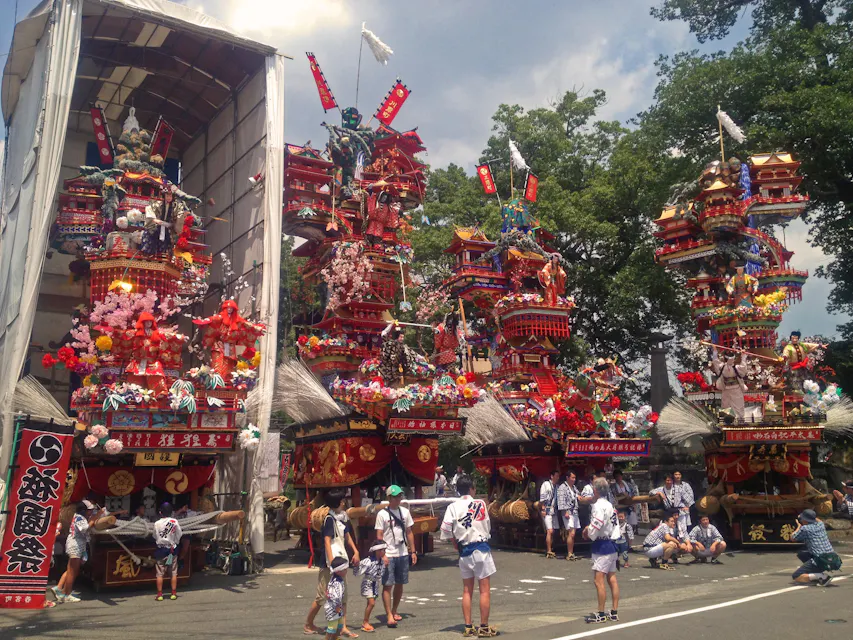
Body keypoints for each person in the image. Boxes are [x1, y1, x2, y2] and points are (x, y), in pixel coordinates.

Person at [441, 474, 499, 638]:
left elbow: (445, 530)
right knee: (484, 590)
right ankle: (484, 626)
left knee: (467, 590)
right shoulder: (479, 503)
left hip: (463, 551)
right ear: (472, 488)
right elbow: (486, 526)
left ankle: (467, 626)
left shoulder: (452, 506)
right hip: (480, 548)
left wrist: (455, 542)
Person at [305, 490, 361, 637]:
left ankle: (342, 626)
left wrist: (355, 551)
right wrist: (332, 563)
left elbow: (347, 536)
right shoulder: (329, 519)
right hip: (329, 564)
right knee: (322, 596)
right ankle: (308, 623)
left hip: (340, 560)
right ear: (337, 502)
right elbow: (327, 541)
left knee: (343, 595)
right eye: (342, 500)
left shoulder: (342, 517)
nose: (344, 502)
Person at [375, 485, 417, 629]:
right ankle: (388, 615)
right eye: (395, 496)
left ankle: (394, 610)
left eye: (400, 496)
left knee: (400, 583)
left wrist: (413, 551)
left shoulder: (405, 512)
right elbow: (379, 536)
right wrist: (382, 554)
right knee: (388, 584)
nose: (398, 499)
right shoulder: (382, 514)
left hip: (403, 552)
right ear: (389, 498)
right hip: (389, 554)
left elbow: (409, 531)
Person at [582, 477, 621, 624]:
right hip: (612, 542)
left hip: (602, 546)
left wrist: (587, 531)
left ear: (596, 490)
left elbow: (595, 526)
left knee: (599, 581)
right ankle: (614, 611)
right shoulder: (610, 505)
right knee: (612, 578)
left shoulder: (598, 506)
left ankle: (601, 613)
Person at [53, 500, 103, 603]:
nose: (91, 512)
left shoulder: (80, 517)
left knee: (71, 570)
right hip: (75, 545)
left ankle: (61, 589)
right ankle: (67, 594)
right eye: (90, 510)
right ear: (84, 510)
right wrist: (94, 518)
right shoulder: (79, 518)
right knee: (73, 571)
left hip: (78, 545)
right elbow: (84, 528)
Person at [790, 509, 841, 585]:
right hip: (832, 557)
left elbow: (792, 538)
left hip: (820, 560)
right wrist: (811, 515)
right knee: (802, 553)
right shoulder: (821, 525)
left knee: (797, 576)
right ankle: (816, 573)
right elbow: (817, 519)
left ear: (805, 520)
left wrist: (799, 526)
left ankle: (822, 577)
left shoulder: (805, 528)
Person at [153, 502, 183, 601]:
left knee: (160, 573)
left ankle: (160, 594)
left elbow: (154, 535)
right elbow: (179, 534)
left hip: (161, 551)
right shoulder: (174, 521)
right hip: (171, 551)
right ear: (171, 512)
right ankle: (173, 593)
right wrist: (175, 542)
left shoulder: (156, 523)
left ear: (160, 512)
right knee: (173, 572)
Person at [354, 542, 386, 633]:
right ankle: (365, 622)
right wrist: (356, 565)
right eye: (381, 550)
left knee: (371, 603)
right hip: (368, 582)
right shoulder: (368, 561)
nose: (383, 552)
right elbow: (357, 572)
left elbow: (382, 572)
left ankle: (366, 621)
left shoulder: (381, 561)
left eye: (384, 550)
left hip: (375, 583)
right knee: (371, 603)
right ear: (376, 551)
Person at [557, 471, 581, 561]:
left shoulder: (573, 487)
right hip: (568, 512)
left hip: (574, 512)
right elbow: (561, 500)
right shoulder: (562, 488)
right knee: (571, 533)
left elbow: (578, 494)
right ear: (567, 478)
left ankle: (571, 551)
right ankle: (569, 553)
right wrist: (565, 511)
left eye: (575, 478)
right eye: (572, 478)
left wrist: (578, 496)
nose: (574, 480)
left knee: (573, 533)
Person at [326, 557, 350, 640]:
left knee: (339, 625)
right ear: (339, 571)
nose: (346, 571)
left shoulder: (339, 580)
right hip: (333, 608)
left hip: (338, 607)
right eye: (345, 569)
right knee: (331, 628)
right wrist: (336, 606)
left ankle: (335, 638)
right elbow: (334, 596)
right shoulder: (336, 582)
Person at [539, 470, 560, 559]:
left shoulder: (557, 486)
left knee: (554, 531)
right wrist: (543, 508)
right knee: (549, 530)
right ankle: (549, 550)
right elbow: (542, 497)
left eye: (558, 476)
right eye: (556, 476)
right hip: (547, 509)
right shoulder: (546, 484)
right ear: (552, 476)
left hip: (554, 510)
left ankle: (551, 547)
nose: (557, 478)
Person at [672, 471, 695, 540]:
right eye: (675, 474)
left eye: (679, 474)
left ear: (681, 475)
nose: (677, 476)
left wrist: (686, 505)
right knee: (673, 526)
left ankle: (685, 541)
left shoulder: (686, 485)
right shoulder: (671, 485)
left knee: (683, 527)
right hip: (673, 509)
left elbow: (691, 497)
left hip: (683, 508)